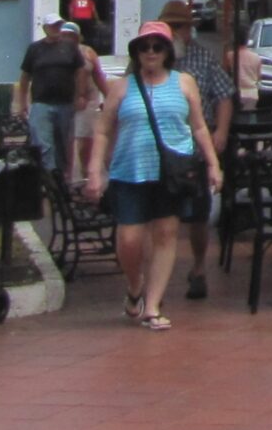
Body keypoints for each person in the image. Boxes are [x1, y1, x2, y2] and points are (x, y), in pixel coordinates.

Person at [81, 22, 221, 331]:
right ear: (137, 52)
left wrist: (213, 164)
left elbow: (198, 126)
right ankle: (135, 286)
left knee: (165, 234)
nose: (151, 52)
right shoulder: (122, 87)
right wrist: (94, 170)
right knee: (129, 239)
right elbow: (103, 129)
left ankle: (153, 305)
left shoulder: (185, 83)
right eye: (144, 47)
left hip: (172, 173)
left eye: (157, 46)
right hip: (129, 170)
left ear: (168, 51)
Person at [159, 0, 235, 302]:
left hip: (194, 149)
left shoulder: (203, 57)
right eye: (172, 26)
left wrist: (221, 131)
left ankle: (199, 268)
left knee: (198, 215)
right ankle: (157, 278)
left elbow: (224, 94)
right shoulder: (151, 57)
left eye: (181, 26)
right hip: (161, 149)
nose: (176, 32)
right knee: (161, 216)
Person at [15, 16, 91, 175]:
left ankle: (63, 179)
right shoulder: (35, 49)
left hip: (65, 103)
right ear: (45, 28)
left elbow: (80, 72)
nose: (56, 28)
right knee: (44, 145)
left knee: (63, 144)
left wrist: (81, 95)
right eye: (53, 25)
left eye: (58, 25)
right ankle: (50, 179)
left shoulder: (70, 47)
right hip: (41, 103)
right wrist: (21, 102)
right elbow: (24, 77)